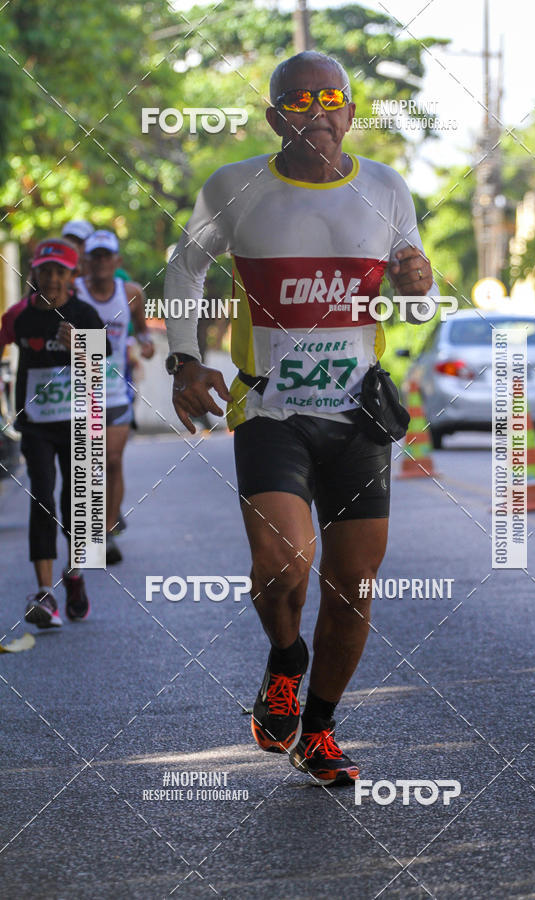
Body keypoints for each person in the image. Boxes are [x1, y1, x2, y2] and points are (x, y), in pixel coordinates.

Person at [163, 51, 434, 785]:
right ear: (274, 116)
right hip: (272, 408)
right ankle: (285, 660)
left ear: (352, 110)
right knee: (283, 563)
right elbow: (184, 265)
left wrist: (422, 285)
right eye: (300, 100)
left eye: (333, 97)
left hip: (358, 414)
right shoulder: (235, 187)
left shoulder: (386, 187)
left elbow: (413, 300)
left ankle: (318, 728)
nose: (319, 110)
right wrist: (184, 360)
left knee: (354, 583)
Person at [0, 238, 110, 627]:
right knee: (42, 495)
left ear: (72, 276)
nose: (51, 278)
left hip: (78, 421)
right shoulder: (17, 316)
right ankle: (45, 594)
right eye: (44, 271)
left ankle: (75, 573)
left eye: (59, 271)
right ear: (34, 273)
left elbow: (100, 371)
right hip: (36, 424)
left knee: (76, 502)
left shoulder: (84, 313)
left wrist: (80, 347)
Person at [74, 230, 154, 563]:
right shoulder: (71, 291)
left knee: (112, 460)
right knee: (87, 465)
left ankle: (105, 532)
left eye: (107, 256)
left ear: (117, 261)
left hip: (117, 389)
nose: (102, 262)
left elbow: (142, 327)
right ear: (85, 261)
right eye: (95, 256)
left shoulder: (132, 293)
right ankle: (88, 530)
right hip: (77, 391)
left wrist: (147, 343)